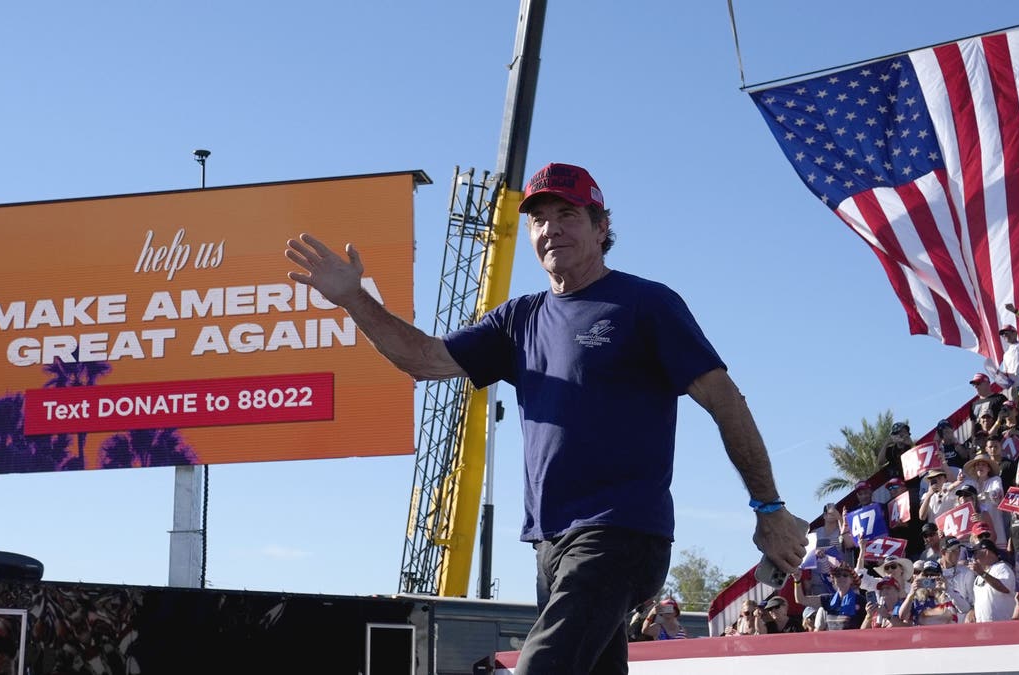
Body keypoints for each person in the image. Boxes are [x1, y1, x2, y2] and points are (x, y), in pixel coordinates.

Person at [285, 162, 806, 675]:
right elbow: (423, 359)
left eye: (568, 214)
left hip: (620, 531)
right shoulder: (520, 319)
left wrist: (768, 507)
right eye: (538, 218)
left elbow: (726, 400)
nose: (551, 228)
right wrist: (353, 297)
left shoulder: (646, 304)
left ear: (602, 228)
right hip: (549, 541)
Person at [969, 540, 1016, 622]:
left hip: (1001, 626)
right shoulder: (979, 576)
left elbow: (1005, 588)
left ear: (986, 552)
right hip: (983, 627)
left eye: (976, 553)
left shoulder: (1002, 567)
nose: (974, 557)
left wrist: (982, 573)